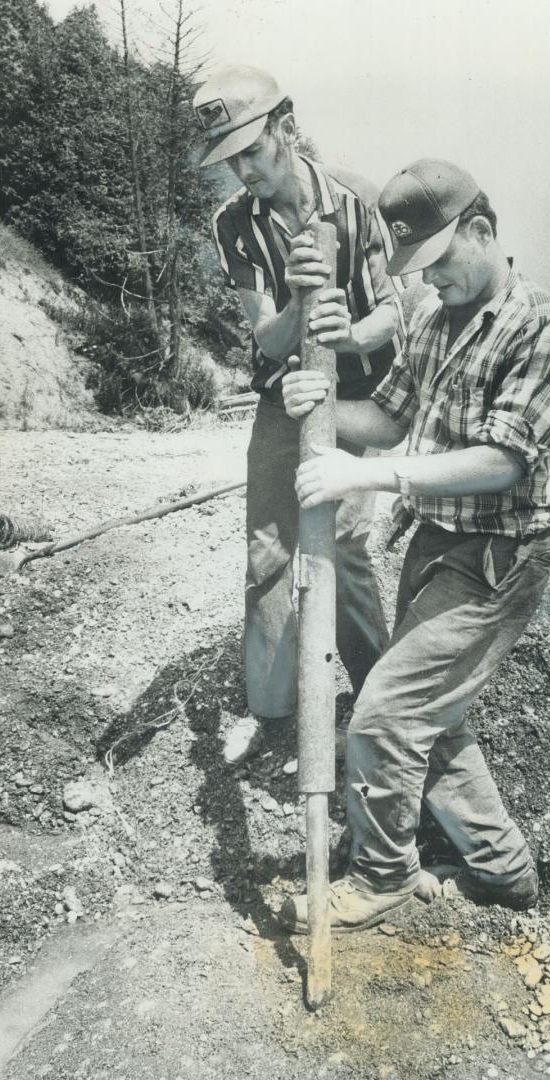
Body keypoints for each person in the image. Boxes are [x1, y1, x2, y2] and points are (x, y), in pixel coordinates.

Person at [279, 158, 550, 932]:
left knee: (384, 714)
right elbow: (383, 417)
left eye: (442, 263)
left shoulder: (546, 325)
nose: (432, 282)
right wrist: (316, 401)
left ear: (481, 231)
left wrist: (373, 475)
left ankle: (382, 875)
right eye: (418, 268)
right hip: (433, 544)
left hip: (499, 559)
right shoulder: (427, 317)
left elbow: (503, 460)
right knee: (431, 716)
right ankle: (504, 873)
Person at [193, 65, 404, 764]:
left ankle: (374, 695)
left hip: (353, 397)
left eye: (252, 151)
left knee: (342, 544)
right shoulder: (234, 225)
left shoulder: (355, 201)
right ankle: (272, 705)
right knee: (268, 548)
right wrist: (298, 300)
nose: (243, 171)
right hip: (283, 395)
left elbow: (394, 313)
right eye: (230, 160)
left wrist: (344, 335)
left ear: (285, 127)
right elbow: (267, 337)